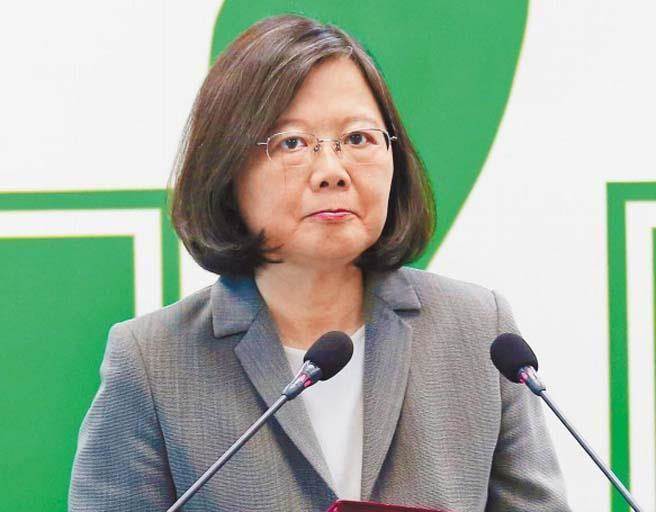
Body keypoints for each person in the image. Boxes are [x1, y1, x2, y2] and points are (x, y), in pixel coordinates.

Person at [69, 14, 571, 512]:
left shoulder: (480, 334)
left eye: (358, 139)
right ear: (227, 169)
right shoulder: (153, 362)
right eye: (291, 143)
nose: (332, 171)